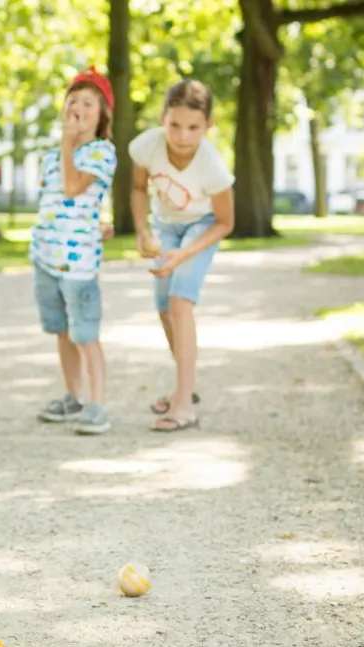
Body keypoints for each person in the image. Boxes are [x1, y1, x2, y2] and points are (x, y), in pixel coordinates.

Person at [128, 79, 235, 431]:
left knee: (180, 302)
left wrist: (183, 255)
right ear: (163, 119)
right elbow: (138, 187)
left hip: (202, 226)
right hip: (167, 225)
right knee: (163, 308)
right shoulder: (146, 147)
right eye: (175, 125)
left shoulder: (213, 168)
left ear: (209, 126)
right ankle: (183, 386)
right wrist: (143, 230)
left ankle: (184, 406)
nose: (183, 135)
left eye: (194, 127)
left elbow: (225, 222)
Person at [31, 66, 117, 435]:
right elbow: (53, 202)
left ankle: (97, 404)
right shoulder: (50, 156)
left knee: (85, 333)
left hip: (78, 263)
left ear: (101, 119)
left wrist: (68, 144)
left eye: (88, 104)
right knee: (62, 331)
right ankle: (73, 395)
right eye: (73, 101)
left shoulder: (102, 152)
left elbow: (72, 188)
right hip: (46, 258)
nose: (78, 108)